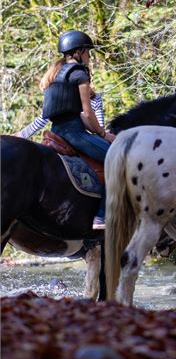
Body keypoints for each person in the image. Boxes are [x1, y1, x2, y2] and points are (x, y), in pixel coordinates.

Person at [40, 30, 115, 230]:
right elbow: (88, 114)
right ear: (79, 52)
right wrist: (104, 134)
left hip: (56, 130)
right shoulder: (80, 73)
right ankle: (102, 215)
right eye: (88, 52)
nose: (89, 57)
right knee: (117, 159)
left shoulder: (55, 74)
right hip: (74, 133)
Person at [18, 91, 104, 139]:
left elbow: (42, 120)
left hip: (58, 133)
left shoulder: (96, 98)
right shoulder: (67, 96)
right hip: (79, 137)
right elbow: (100, 128)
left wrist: (21, 135)